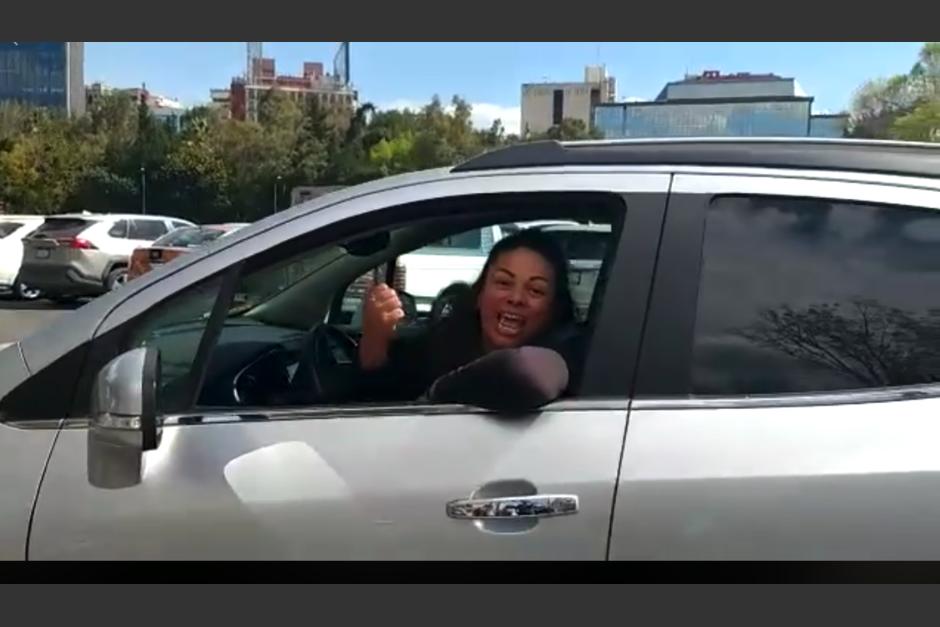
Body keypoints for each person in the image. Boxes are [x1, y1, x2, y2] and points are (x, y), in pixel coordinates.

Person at [356, 228, 584, 403]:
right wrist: (375, 338)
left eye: (535, 290)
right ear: (479, 294)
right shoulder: (440, 346)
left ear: (555, 308)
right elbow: (372, 406)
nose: (516, 298)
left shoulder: (569, 368)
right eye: (504, 282)